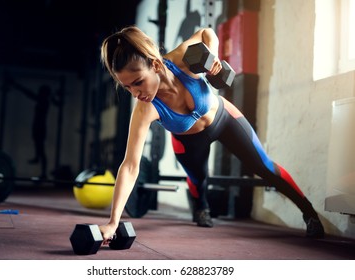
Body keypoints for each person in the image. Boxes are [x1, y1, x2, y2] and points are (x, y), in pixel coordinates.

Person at [98, 26, 324, 243]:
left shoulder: (181, 60)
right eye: (127, 87)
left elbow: (207, 33)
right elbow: (129, 166)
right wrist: (113, 222)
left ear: (155, 64)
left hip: (223, 118)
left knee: (264, 166)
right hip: (188, 140)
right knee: (199, 179)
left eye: (138, 83)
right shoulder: (144, 109)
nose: (136, 94)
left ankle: (310, 213)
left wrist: (212, 57)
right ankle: (201, 207)